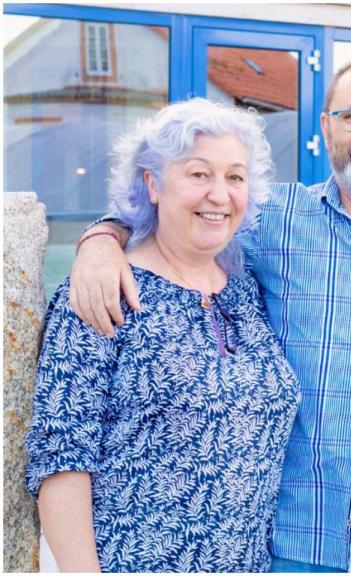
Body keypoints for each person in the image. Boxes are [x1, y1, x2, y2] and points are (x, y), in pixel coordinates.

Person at [70, 58, 351, 572]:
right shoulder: (274, 221)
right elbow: (187, 214)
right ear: (326, 127)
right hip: (293, 545)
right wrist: (104, 237)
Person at [25, 98, 301, 572]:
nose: (219, 195)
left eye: (235, 177)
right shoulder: (102, 290)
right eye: (199, 174)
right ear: (152, 183)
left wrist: (101, 235)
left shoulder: (247, 289)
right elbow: (62, 458)